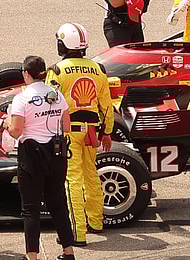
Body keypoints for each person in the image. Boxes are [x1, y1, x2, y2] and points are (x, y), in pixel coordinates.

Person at [45, 23, 113, 248]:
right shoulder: (99, 69)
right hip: (92, 131)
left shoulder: (56, 71)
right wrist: (107, 132)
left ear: (63, 44)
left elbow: (50, 105)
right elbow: (107, 106)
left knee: (71, 180)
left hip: (69, 132)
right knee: (91, 175)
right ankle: (96, 221)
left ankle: (77, 232)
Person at [5, 56, 75, 260]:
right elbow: (67, 126)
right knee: (58, 204)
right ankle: (68, 252)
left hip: (31, 156)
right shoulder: (56, 94)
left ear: (26, 74)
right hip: (56, 154)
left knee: (31, 209)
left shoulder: (22, 98)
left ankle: (32, 256)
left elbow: (16, 131)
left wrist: (6, 124)